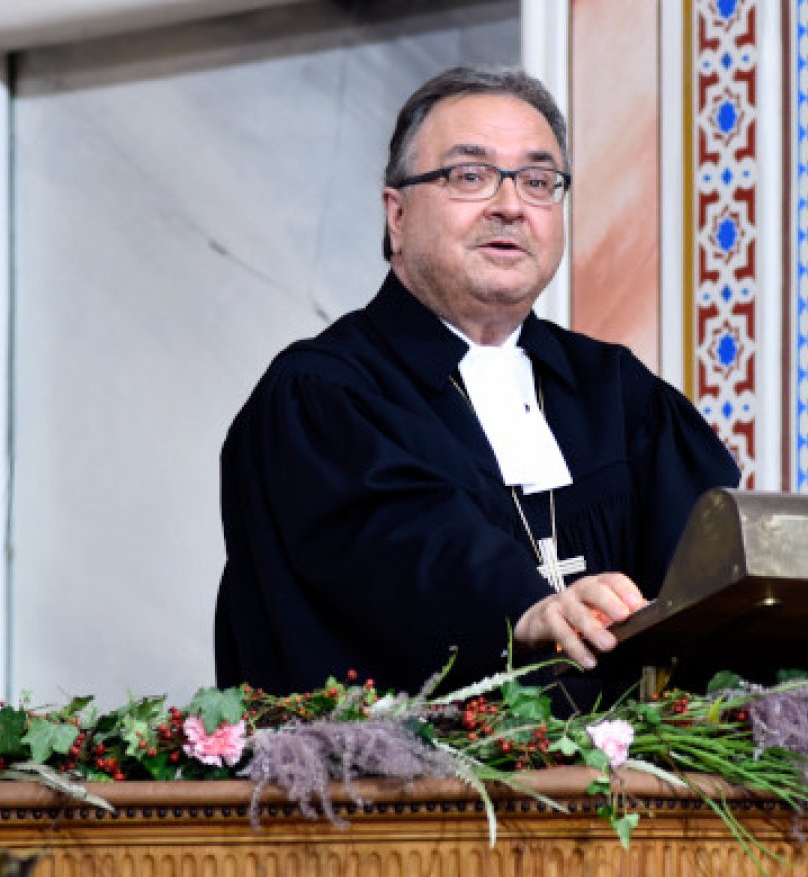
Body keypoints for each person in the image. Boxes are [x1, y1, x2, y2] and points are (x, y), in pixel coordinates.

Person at [215, 66, 740, 700]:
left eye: (539, 181)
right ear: (397, 214)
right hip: (413, 792)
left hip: (628, 789)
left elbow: (712, 572)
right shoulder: (323, 395)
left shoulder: (617, 392)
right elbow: (399, 549)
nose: (512, 206)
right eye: (470, 175)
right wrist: (526, 612)